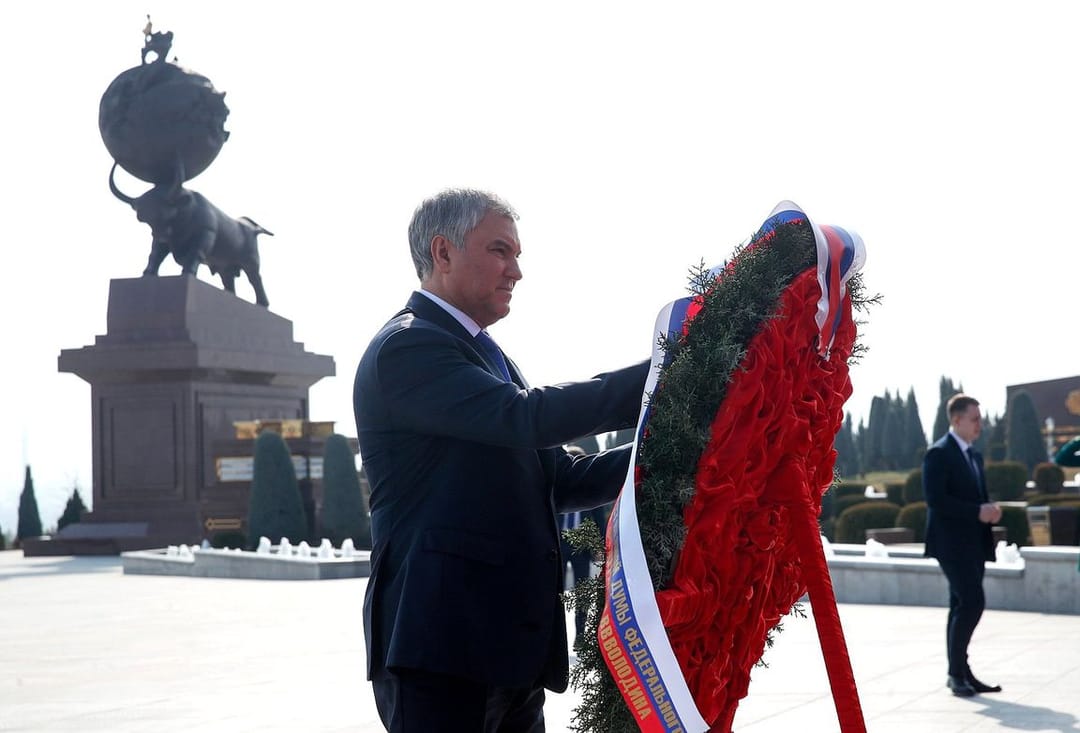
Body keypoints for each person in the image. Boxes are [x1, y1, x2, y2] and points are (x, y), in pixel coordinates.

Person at [353, 188, 648, 732]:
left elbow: (560, 476)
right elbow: (526, 419)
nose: (516, 270)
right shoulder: (409, 347)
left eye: (516, 254)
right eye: (499, 250)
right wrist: (665, 374)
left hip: (507, 651)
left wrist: (676, 445)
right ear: (442, 253)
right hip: (443, 649)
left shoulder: (486, 356)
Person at [923, 393, 1004, 697]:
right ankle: (958, 672)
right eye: (975, 419)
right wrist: (976, 511)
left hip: (974, 542)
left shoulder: (974, 455)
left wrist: (989, 509)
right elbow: (935, 500)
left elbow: (975, 498)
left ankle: (959, 672)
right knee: (972, 601)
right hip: (950, 544)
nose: (980, 425)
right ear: (956, 420)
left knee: (959, 604)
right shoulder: (939, 453)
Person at [557, 444, 610, 650]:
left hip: (582, 547)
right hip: (558, 546)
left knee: (582, 594)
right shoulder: (554, 491)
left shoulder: (590, 495)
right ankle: (556, 640)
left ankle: (580, 637)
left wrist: (598, 546)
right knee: (554, 595)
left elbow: (599, 522)